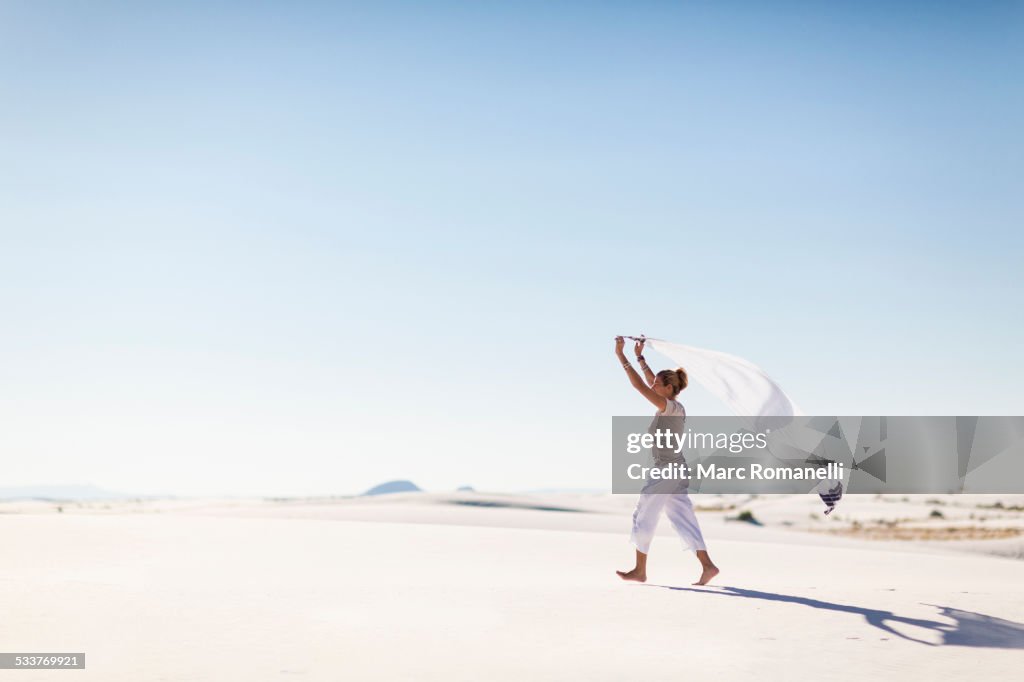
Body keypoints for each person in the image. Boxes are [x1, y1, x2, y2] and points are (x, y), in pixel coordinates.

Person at [614, 336, 720, 586]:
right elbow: (650, 382)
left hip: (666, 471)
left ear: (668, 388)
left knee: (644, 515)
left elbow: (640, 387)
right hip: (676, 470)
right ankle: (708, 566)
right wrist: (640, 357)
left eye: (657, 383)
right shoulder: (673, 406)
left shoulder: (669, 407)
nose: (653, 385)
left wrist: (621, 356)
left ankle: (640, 570)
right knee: (683, 518)